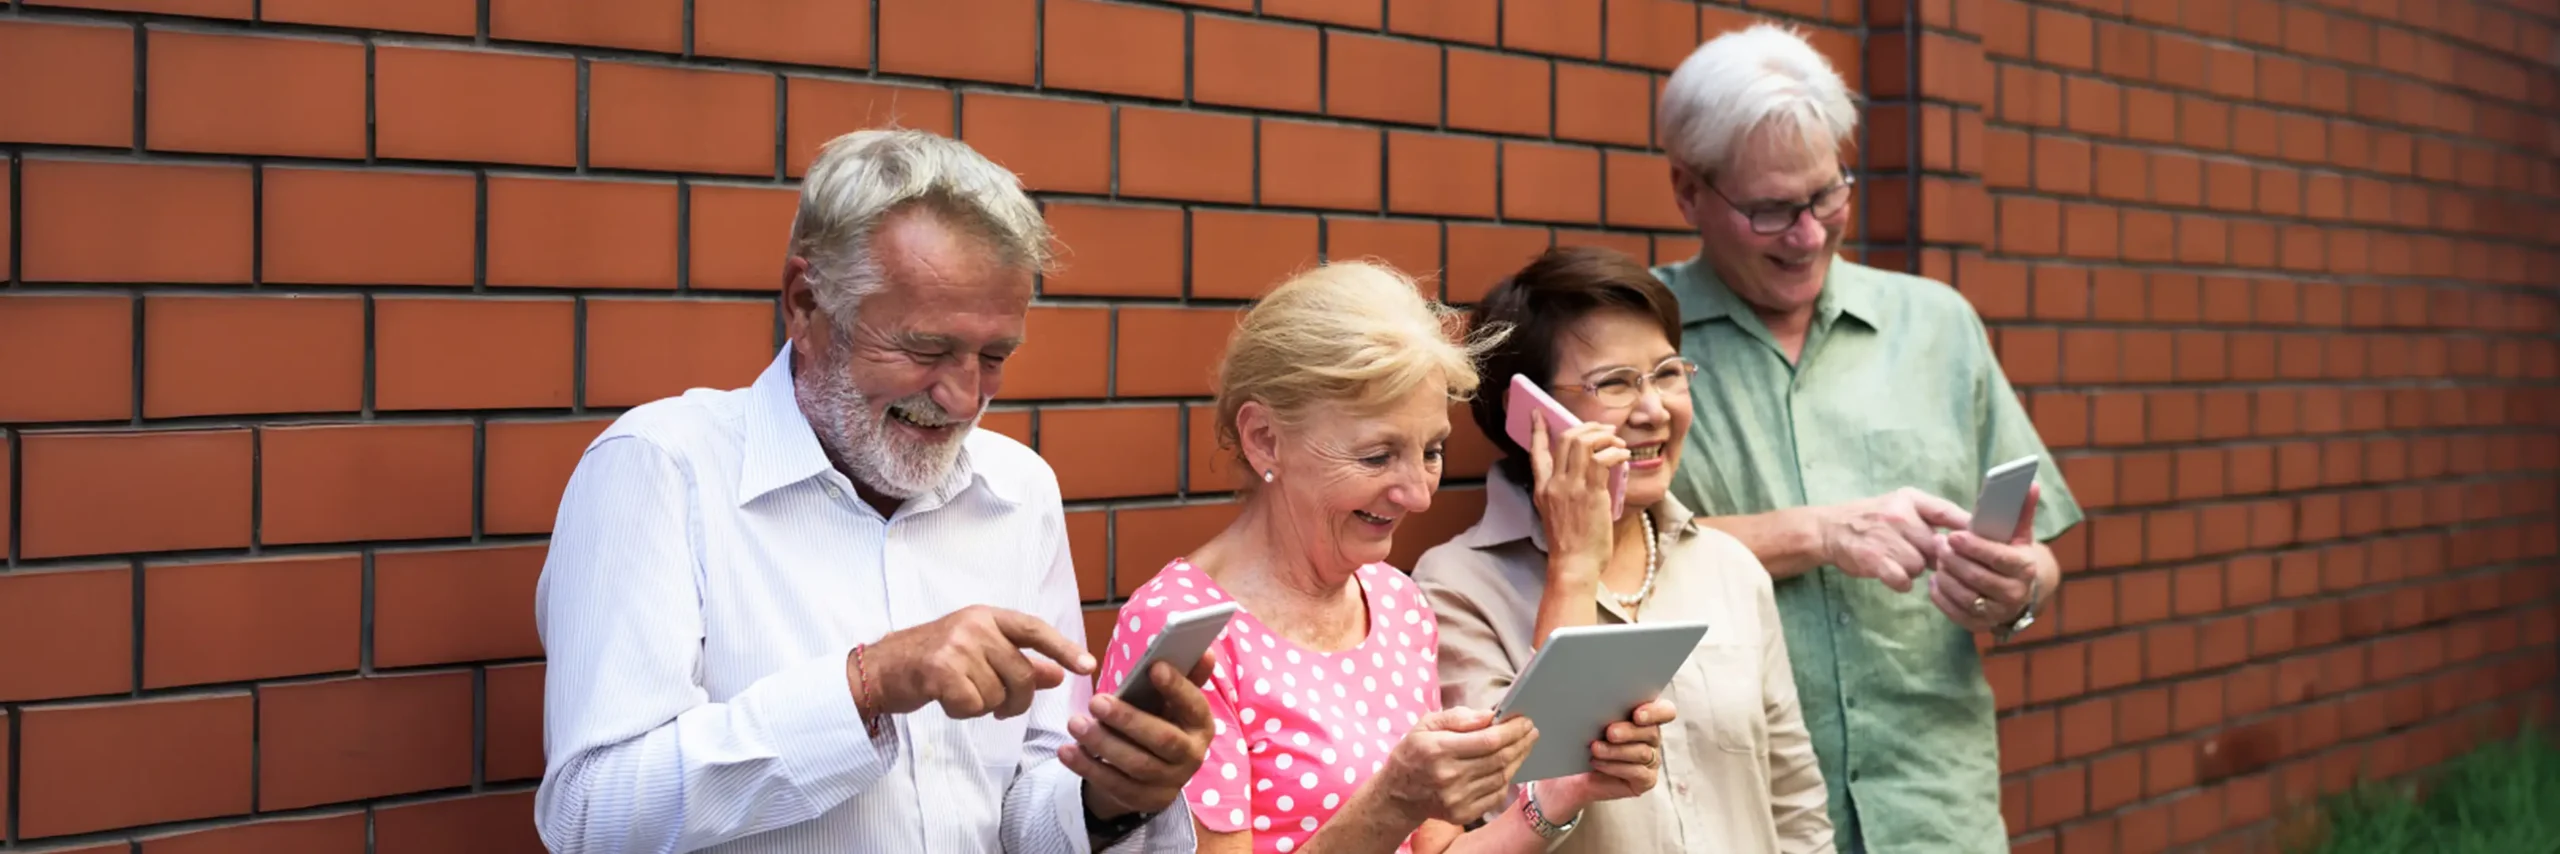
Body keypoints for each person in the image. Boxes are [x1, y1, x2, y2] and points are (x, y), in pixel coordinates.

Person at [532, 129, 1215, 854]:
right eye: (925, 349)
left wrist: (1110, 794)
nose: (962, 398)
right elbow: (589, 814)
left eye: (993, 356)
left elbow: (1022, 810)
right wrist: (866, 684)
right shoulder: (662, 470)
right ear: (804, 304)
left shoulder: (1020, 492)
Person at [1649, 23, 2085, 854]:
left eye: (1827, 195)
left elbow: (2043, 560)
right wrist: (1819, 532)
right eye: (1772, 210)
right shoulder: (1635, 339)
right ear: (1687, 192)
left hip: (1935, 807)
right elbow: (1604, 553)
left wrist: (2019, 588)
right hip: (1735, 815)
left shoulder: (1940, 325)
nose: (1809, 235)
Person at [1095, 261, 1676, 854]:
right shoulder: (1180, 626)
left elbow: (1435, 850)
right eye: (1377, 457)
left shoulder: (1395, 601)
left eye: (1431, 450)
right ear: (1264, 438)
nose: (1419, 495)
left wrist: (1561, 794)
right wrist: (1393, 802)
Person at [1413, 246, 1834, 854]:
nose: (1654, 410)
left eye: (1666, 374)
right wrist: (1574, 569)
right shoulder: (1455, 586)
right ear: (1527, 414)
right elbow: (1511, 810)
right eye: (1614, 383)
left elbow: (1794, 802)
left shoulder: (1729, 567)